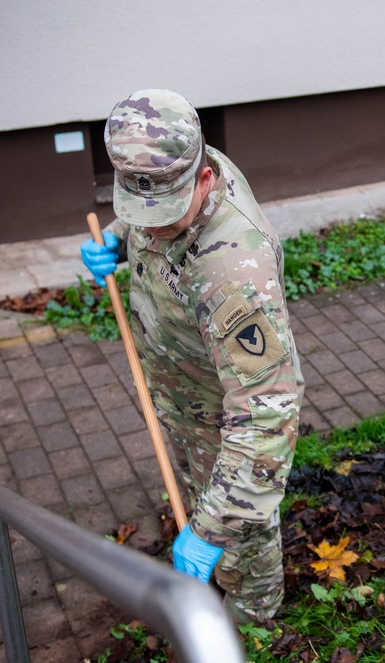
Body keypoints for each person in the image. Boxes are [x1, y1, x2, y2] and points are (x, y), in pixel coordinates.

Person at [81, 89, 303, 625]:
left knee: (241, 532)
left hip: (220, 414)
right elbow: (147, 214)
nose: (149, 230)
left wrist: (211, 529)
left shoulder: (232, 272)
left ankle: (253, 624)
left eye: (163, 216)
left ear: (203, 180)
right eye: (137, 209)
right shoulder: (172, 161)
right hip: (180, 391)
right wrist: (118, 237)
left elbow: (267, 414)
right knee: (201, 486)